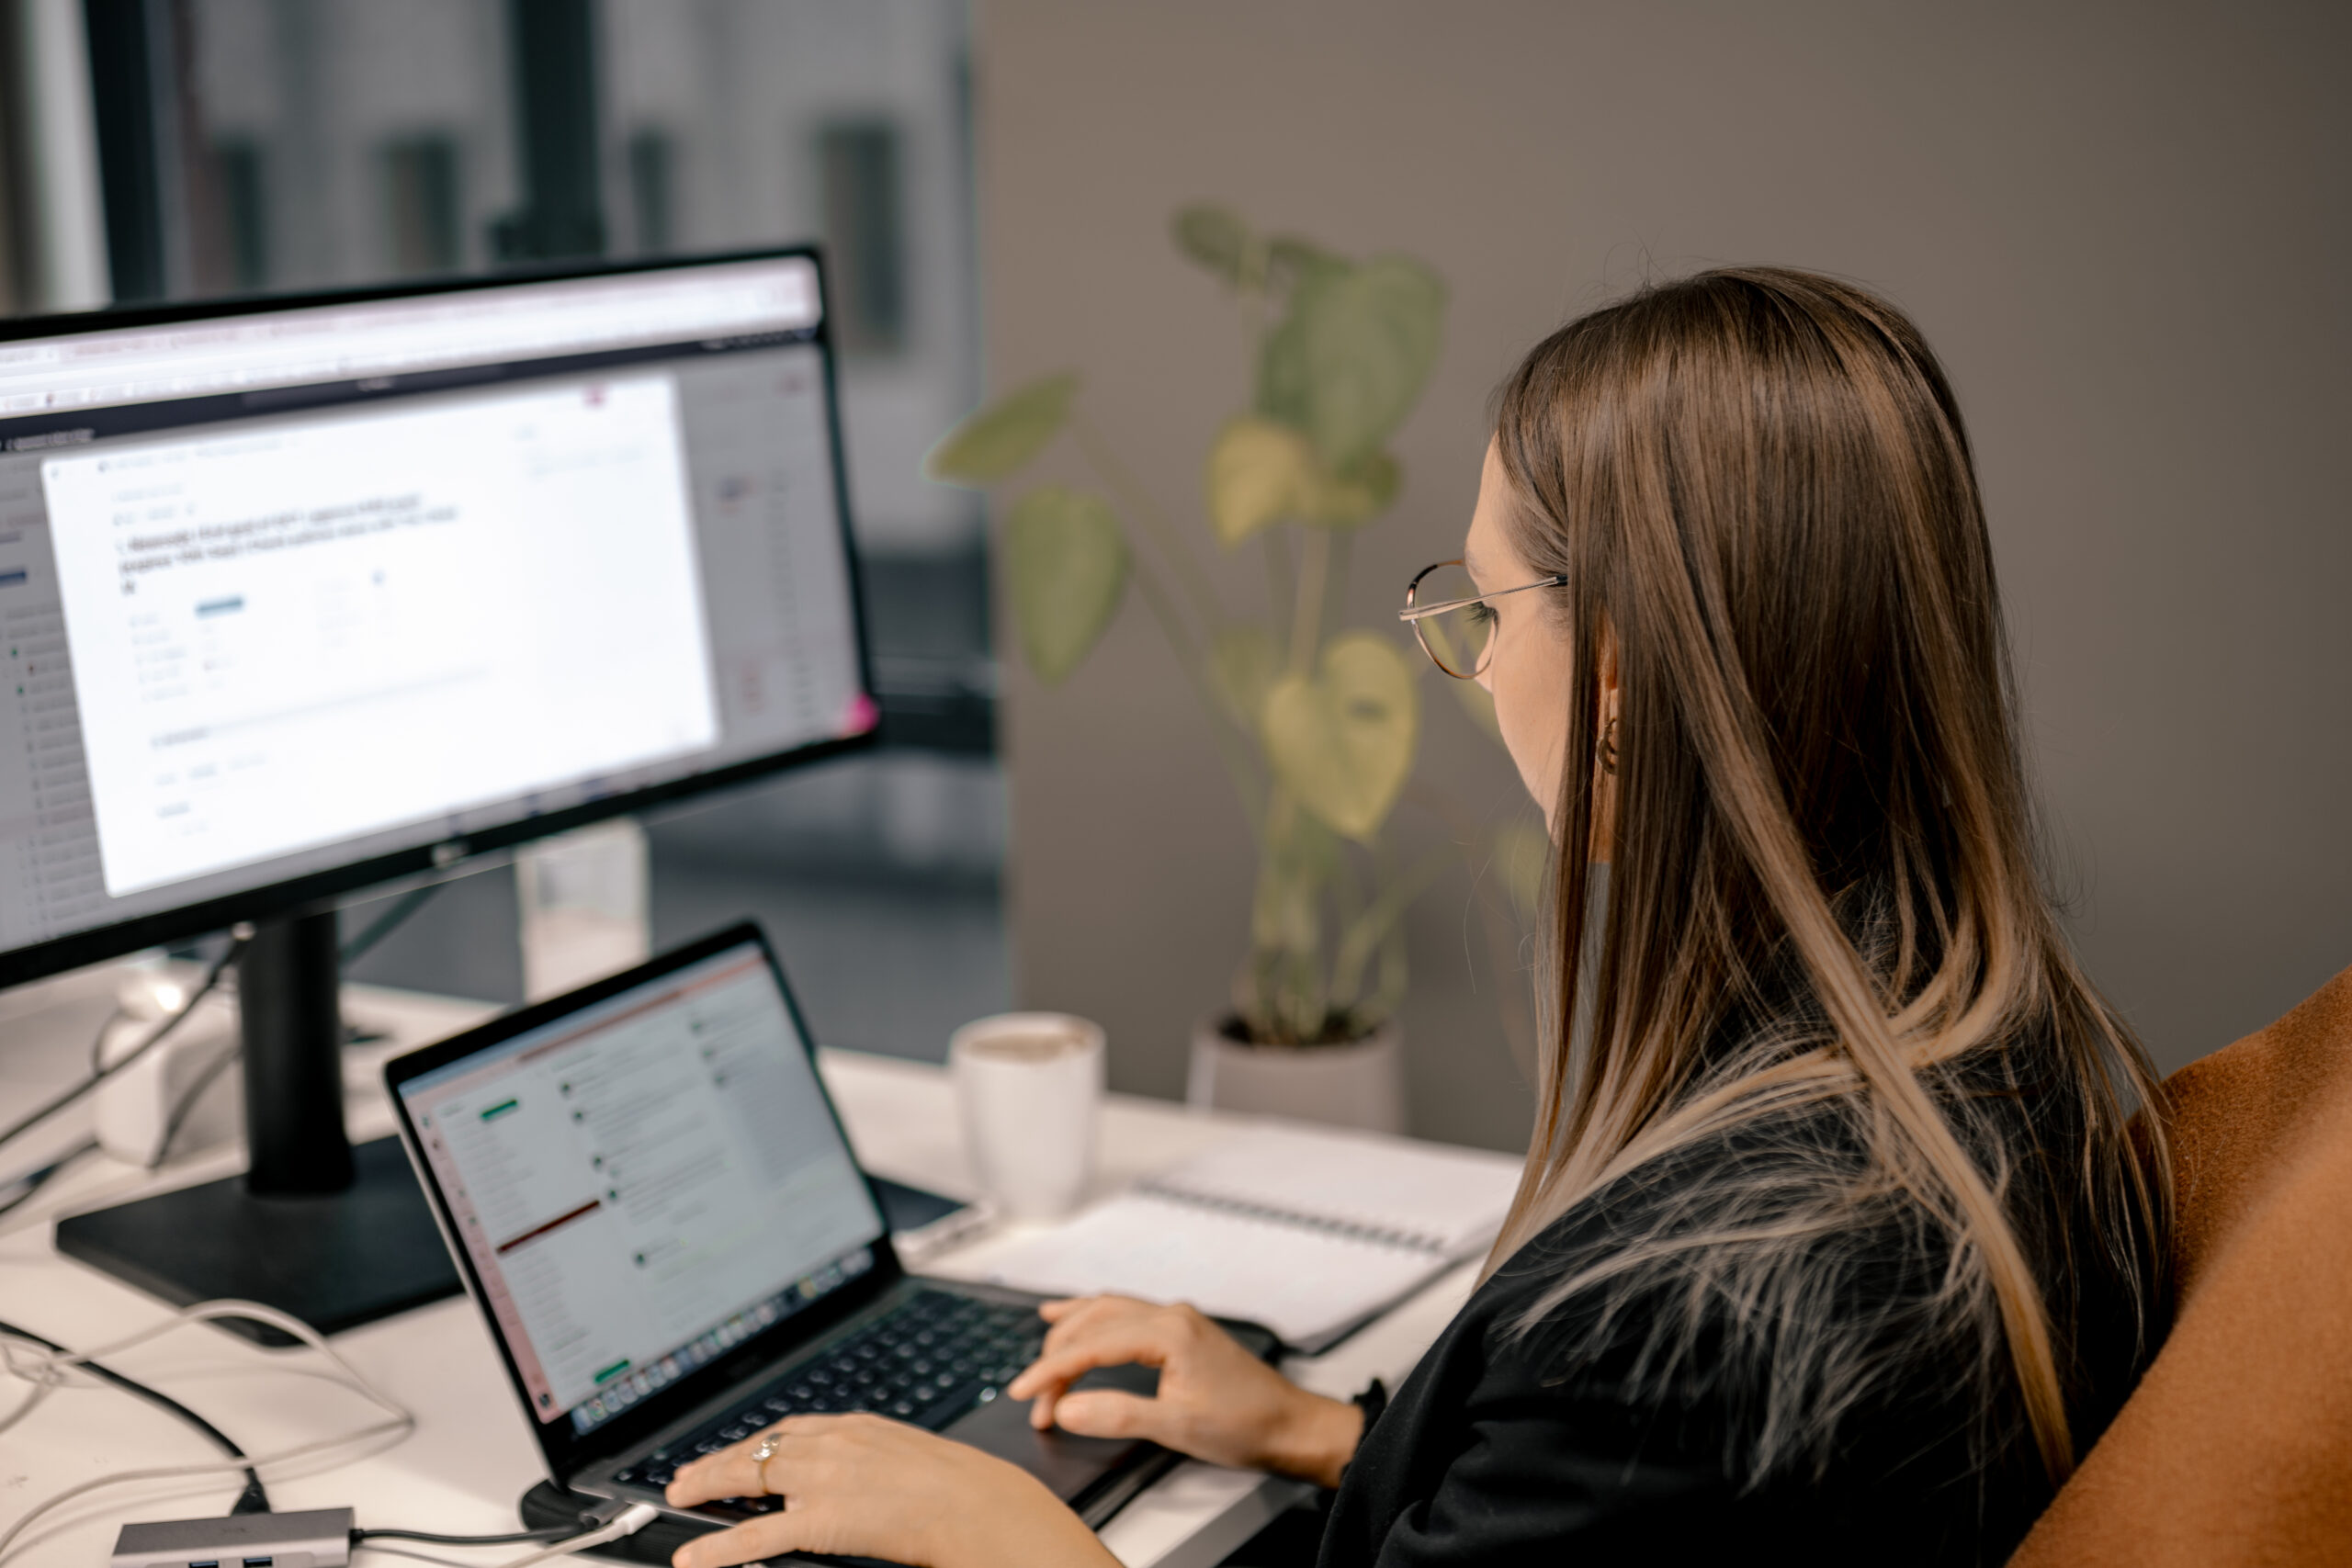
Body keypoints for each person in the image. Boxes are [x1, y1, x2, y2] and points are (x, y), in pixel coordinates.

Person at [660, 267, 2170, 1567]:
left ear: (1621, 681)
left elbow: (1644, 1450)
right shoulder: (2011, 1068)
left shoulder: (1687, 1316)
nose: (1473, 665)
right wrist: (1321, 1434)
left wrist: (1009, 1532)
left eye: (1487, 609)